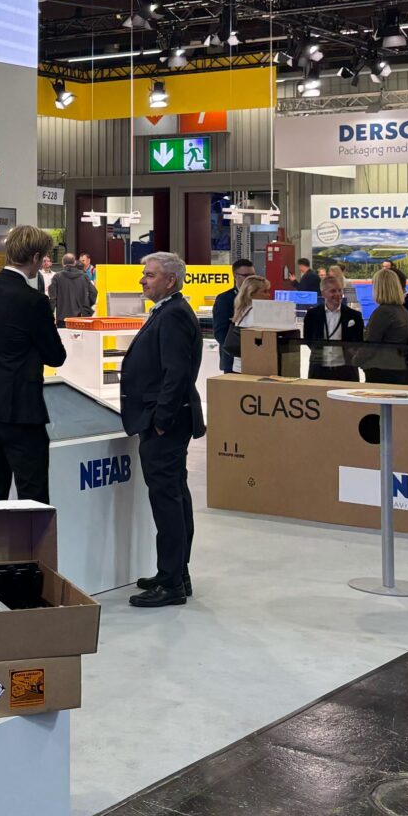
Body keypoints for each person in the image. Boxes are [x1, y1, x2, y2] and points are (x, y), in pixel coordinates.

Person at [120, 252, 204, 609]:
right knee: (175, 495)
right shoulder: (169, 311)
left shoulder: (172, 316)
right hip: (165, 422)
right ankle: (175, 571)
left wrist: (160, 421)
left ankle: (171, 582)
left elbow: (176, 374)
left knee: (167, 500)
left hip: (164, 425)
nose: (143, 280)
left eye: (150, 275)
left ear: (170, 280)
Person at [0, 226, 67, 503]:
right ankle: (29, 549)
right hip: (20, 409)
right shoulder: (33, 301)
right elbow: (56, 356)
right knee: (32, 495)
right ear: (35, 257)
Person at [302, 271, 365, 382]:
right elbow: (308, 338)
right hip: (319, 370)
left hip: (346, 370)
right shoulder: (312, 315)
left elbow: (359, 340)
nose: (338, 294)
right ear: (323, 293)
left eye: (339, 290)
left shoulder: (354, 315)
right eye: (333, 291)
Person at [362, 268, 408, 385]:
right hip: (397, 365)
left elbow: (371, 342)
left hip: (381, 368)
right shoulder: (402, 311)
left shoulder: (383, 312)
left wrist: (355, 361)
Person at [209, 259, 258, 375]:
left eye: (253, 275)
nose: (250, 279)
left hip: (257, 358)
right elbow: (220, 333)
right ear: (235, 276)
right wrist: (239, 349)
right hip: (233, 360)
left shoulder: (260, 298)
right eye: (246, 275)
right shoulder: (225, 299)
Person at [219, 275, 272, 366]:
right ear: (251, 294)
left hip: (240, 363)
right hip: (252, 363)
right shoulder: (255, 313)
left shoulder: (242, 310)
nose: (268, 295)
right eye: (264, 291)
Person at [48, 252, 96, 323]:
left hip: (63, 318)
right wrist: (86, 306)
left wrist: (49, 313)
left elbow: (52, 298)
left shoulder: (57, 277)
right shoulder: (84, 277)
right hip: (81, 317)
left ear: (63, 263)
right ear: (74, 263)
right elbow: (94, 292)